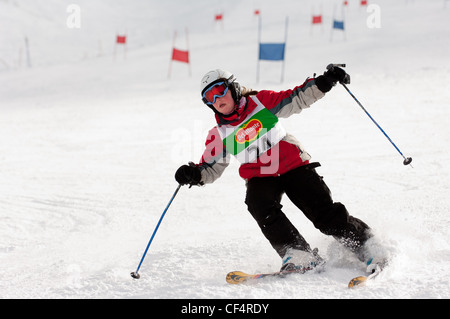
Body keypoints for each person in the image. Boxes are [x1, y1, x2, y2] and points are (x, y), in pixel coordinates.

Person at [175, 67, 385, 273]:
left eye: (220, 90)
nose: (216, 99)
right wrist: (194, 174)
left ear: (233, 87)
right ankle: (299, 254)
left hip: (292, 163)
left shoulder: (259, 103)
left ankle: (366, 245)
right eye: (209, 97)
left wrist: (323, 82)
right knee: (258, 204)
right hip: (259, 174)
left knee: (323, 215)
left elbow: (295, 98)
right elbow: (211, 167)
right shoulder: (219, 134)